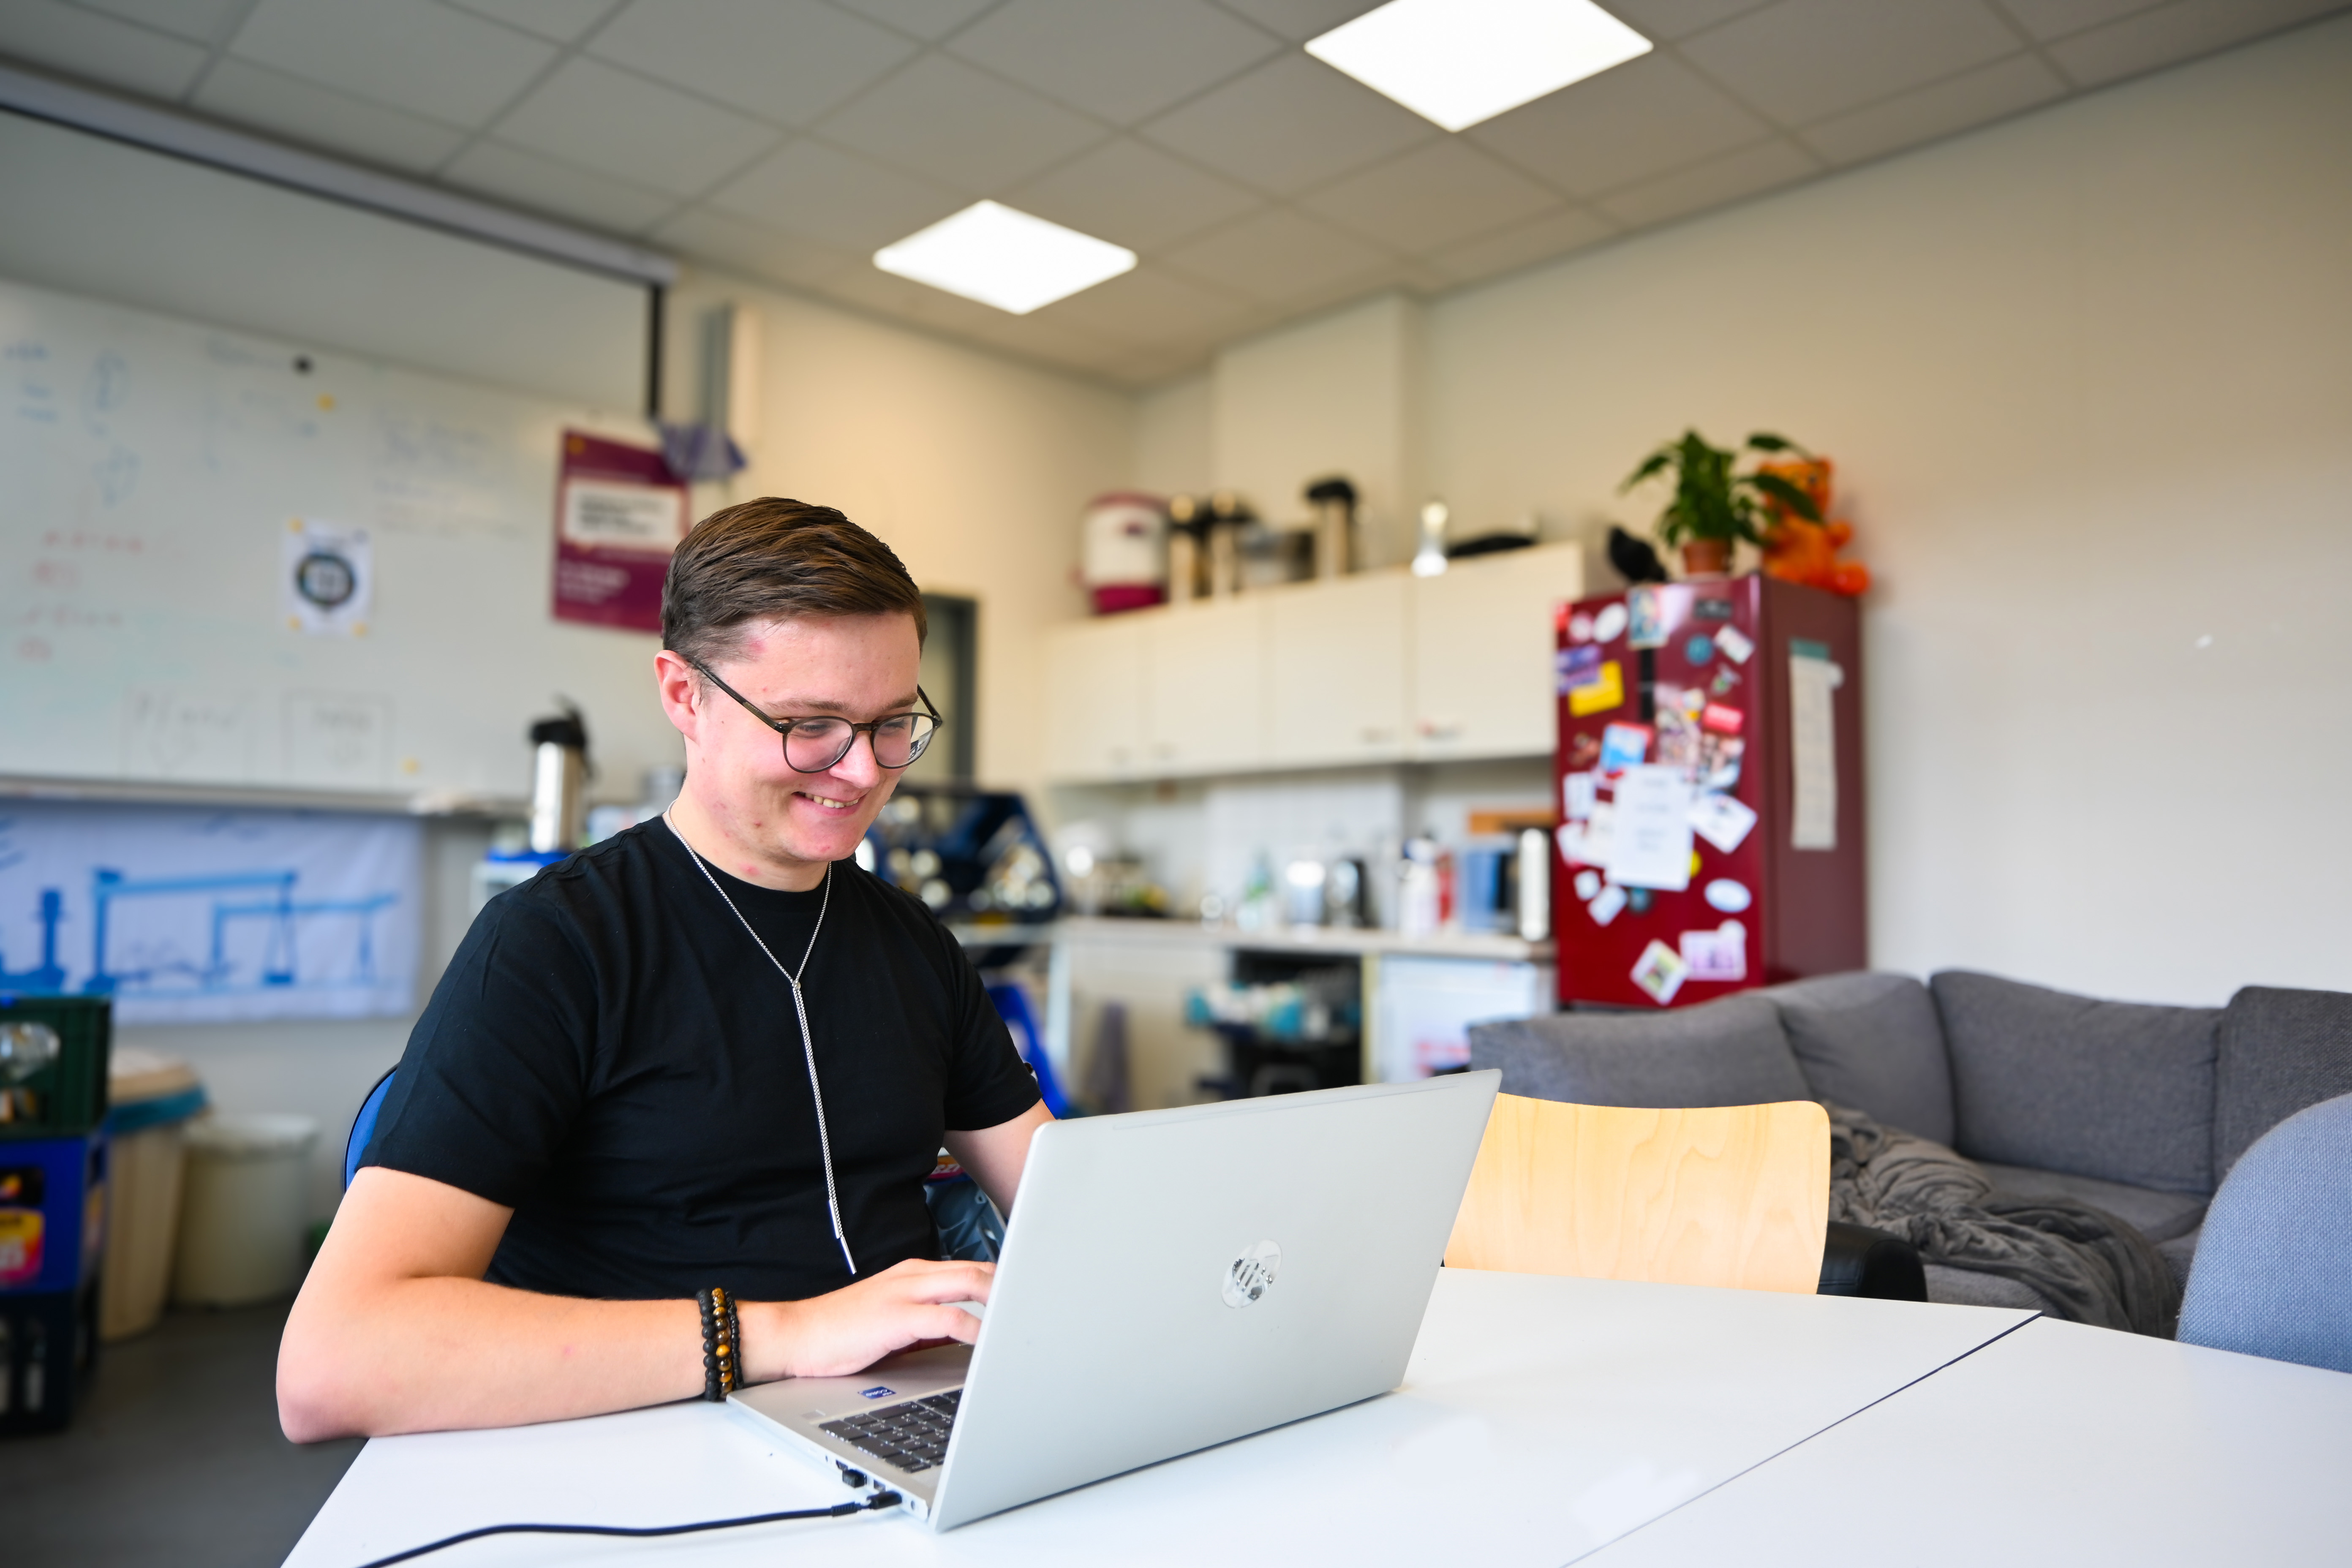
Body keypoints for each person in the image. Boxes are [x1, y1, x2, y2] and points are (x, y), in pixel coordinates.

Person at [278, 500, 1051, 1442]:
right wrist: (783, 1334)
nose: (861, 773)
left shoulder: (913, 943)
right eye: (811, 724)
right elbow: (335, 1362)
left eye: (893, 724)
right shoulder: (555, 945)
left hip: (909, 1424)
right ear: (684, 694)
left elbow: (1060, 1210)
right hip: (643, 1440)